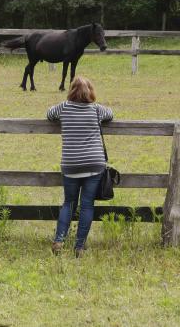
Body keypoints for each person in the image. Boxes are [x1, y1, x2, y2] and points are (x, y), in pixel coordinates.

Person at [47, 76, 113, 257]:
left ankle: (59, 240)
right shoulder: (96, 110)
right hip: (94, 162)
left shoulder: (64, 107)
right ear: (90, 92)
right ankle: (79, 246)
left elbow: (49, 114)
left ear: (72, 91)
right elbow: (111, 114)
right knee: (86, 205)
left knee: (68, 203)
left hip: (70, 163)